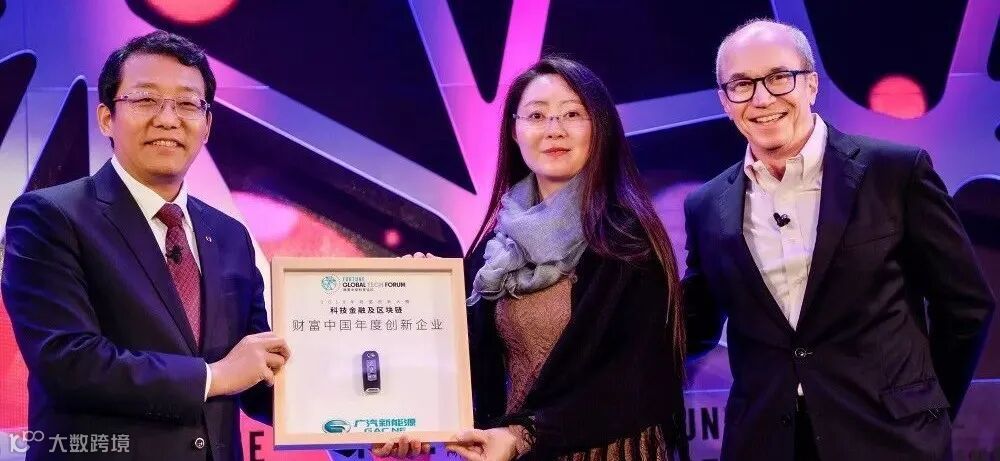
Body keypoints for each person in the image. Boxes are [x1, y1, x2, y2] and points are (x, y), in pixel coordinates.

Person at [681, 19, 996, 461]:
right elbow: (695, 328)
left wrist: (927, 412)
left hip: (891, 443)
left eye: (779, 77)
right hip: (766, 444)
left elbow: (966, 307)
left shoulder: (895, 173)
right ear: (725, 101)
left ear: (811, 84)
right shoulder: (706, 205)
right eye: (742, 85)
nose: (762, 98)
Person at [378, 56, 698, 461]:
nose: (553, 129)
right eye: (536, 115)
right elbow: (470, 369)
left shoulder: (628, 242)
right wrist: (426, 305)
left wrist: (524, 435)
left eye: (572, 114)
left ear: (599, 127)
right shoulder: (496, 249)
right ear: (514, 131)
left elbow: (634, 378)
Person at [1, 31, 289, 461]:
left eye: (187, 103)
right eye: (145, 100)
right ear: (106, 118)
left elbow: (255, 372)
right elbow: (68, 361)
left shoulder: (229, 234)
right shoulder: (49, 217)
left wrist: (359, 422)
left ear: (207, 125)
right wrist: (213, 377)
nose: (168, 119)